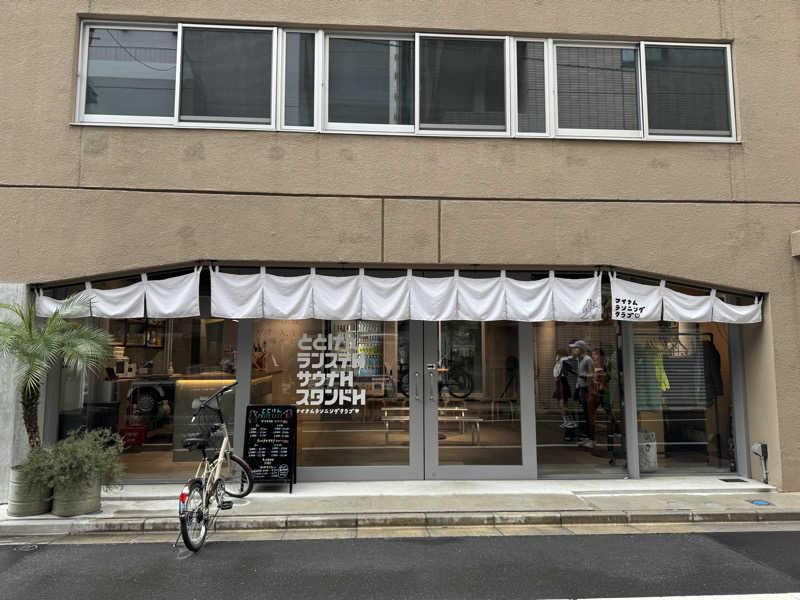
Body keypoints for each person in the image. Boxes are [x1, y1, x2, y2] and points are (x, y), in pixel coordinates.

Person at [569, 340, 594, 447]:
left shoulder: (588, 359)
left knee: (587, 415)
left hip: (586, 390)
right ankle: (584, 437)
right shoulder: (579, 360)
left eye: (576, 348)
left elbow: (592, 375)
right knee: (582, 414)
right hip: (580, 389)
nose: (574, 350)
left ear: (581, 349)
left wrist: (582, 376)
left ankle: (591, 439)